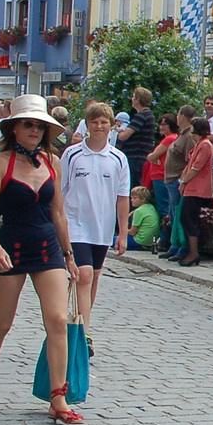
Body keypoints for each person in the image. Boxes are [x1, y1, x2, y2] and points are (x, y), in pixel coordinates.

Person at [0, 96, 81, 425]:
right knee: (2, 323)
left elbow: (58, 212)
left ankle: (58, 397)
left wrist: (69, 255)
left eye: (40, 125)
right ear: (14, 128)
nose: (35, 130)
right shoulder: (0, 162)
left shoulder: (53, 161)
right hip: (13, 245)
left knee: (57, 321)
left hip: (47, 246)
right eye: (28, 124)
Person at [60, 102, 130, 333]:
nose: (99, 126)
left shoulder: (118, 158)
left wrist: (122, 233)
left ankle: (79, 321)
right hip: (76, 224)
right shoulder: (72, 154)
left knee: (93, 277)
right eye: (94, 122)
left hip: (102, 227)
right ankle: (85, 333)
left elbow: (122, 197)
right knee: (84, 274)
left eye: (104, 122)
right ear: (87, 125)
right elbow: (60, 192)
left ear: (111, 126)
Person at [175, 117, 213, 266]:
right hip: (191, 188)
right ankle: (190, 251)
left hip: (198, 188)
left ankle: (193, 253)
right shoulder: (199, 144)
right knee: (186, 218)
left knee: (189, 219)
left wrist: (184, 181)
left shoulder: (205, 145)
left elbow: (196, 167)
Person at [160, 106, 198, 260]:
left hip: (177, 179)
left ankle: (182, 246)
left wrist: (183, 179)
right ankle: (174, 244)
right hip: (170, 180)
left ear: (182, 116)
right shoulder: (182, 135)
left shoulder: (189, 136)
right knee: (173, 214)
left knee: (178, 214)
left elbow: (190, 160)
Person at [145, 114, 179, 250]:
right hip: (161, 175)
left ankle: (165, 240)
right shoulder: (172, 139)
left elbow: (152, 156)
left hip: (160, 176)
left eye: (163, 124)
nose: (161, 127)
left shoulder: (169, 139)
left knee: (164, 208)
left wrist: (153, 157)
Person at [119, 87, 157, 190]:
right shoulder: (148, 115)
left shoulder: (141, 116)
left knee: (132, 187)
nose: (131, 99)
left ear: (138, 99)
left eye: (133, 96)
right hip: (141, 157)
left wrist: (117, 130)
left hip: (135, 157)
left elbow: (124, 136)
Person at [128, 186, 160, 251]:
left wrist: (123, 230)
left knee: (114, 240)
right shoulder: (151, 207)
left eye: (135, 198)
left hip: (140, 241)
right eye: (131, 198)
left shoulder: (138, 211)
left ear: (143, 199)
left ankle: (136, 247)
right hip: (151, 241)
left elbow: (132, 232)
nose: (132, 200)